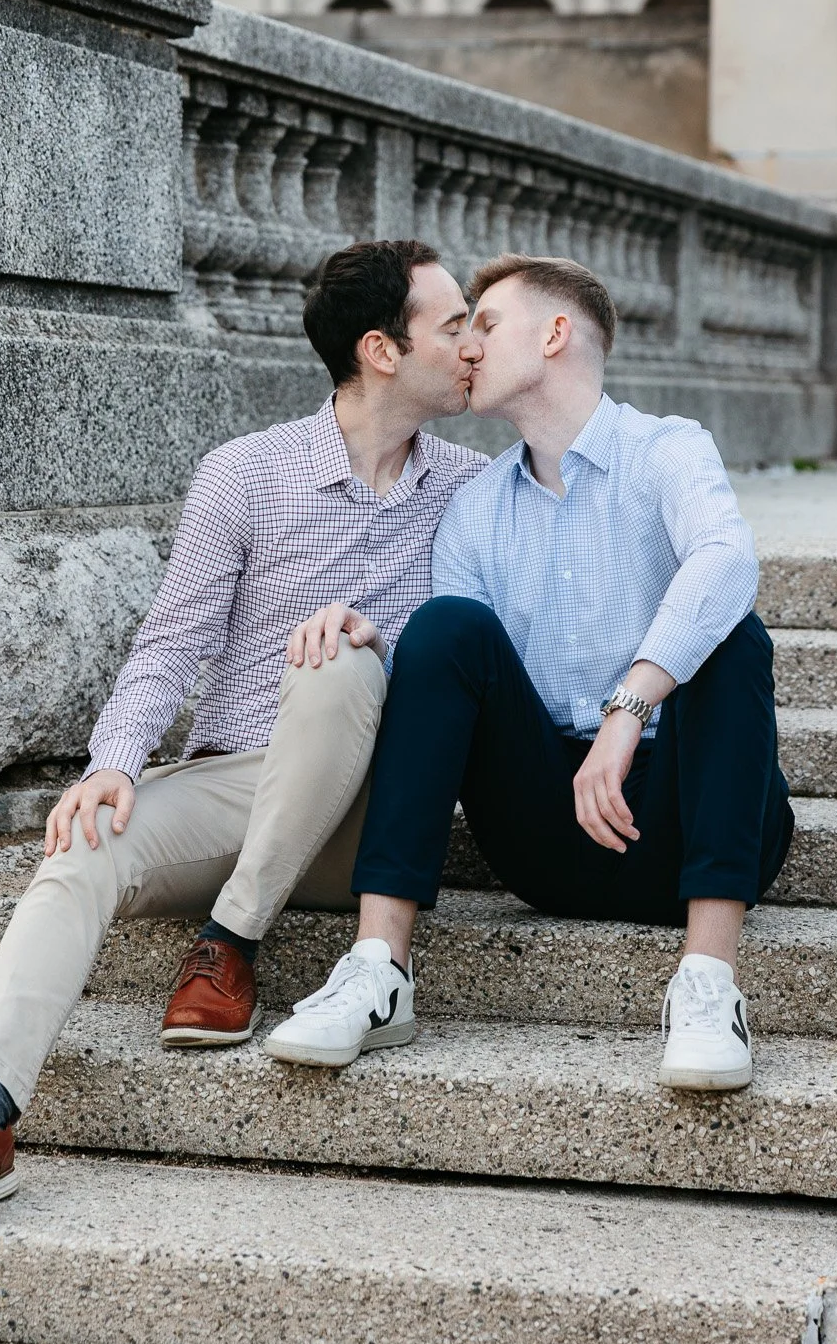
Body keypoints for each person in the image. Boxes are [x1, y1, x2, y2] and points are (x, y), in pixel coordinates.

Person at [0, 238, 485, 1224]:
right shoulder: (246, 473)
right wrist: (113, 763)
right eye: (455, 323)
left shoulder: (472, 486)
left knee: (340, 654)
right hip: (238, 783)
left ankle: (231, 938)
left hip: (375, 817)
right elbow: (169, 644)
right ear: (382, 348)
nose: (473, 344)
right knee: (81, 848)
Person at [267, 253, 793, 1092]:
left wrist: (627, 710)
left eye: (484, 324)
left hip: (694, 814)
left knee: (734, 636)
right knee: (444, 629)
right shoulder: (475, 508)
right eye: (460, 327)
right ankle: (377, 969)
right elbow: (453, 688)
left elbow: (725, 560)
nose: (465, 347)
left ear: (554, 334)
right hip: (548, 832)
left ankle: (708, 983)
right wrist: (379, 637)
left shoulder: (666, 450)